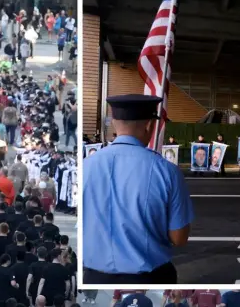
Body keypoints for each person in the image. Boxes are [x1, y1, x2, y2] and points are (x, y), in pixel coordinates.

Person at [81, 95, 192, 283]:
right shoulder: (167, 171)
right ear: (149, 125)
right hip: (150, 276)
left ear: (114, 122)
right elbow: (179, 237)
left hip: (94, 275)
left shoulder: (85, 165)